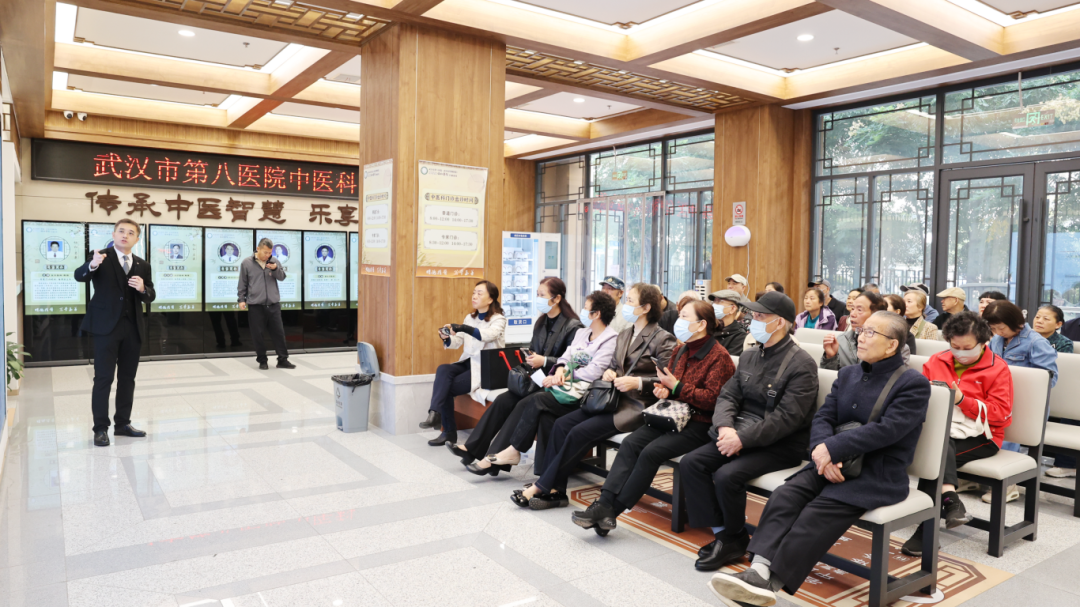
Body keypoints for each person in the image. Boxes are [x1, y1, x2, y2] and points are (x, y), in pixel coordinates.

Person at [708, 312, 930, 606]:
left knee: (816, 512)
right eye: (861, 331)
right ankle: (758, 570)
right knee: (786, 495)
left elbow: (887, 430)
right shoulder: (848, 374)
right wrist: (822, 451)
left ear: (892, 345)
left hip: (876, 472)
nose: (860, 337)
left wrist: (832, 450)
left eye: (871, 333)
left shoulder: (913, 383)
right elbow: (824, 416)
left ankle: (769, 584)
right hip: (829, 462)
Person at [681, 291, 819, 571]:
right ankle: (726, 535)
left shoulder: (801, 364)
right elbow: (728, 396)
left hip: (780, 444)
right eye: (753, 315)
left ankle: (732, 537)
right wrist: (724, 427)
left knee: (727, 475)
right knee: (692, 463)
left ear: (779, 322)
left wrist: (741, 439)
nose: (753, 320)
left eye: (760, 316)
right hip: (739, 431)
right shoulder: (750, 354)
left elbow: (787, 419)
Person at [572, 301, 735, 534]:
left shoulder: (719, 357)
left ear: (701, 325)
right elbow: (671, 387)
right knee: (631, 443)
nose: (678, 321)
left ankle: (611, 511)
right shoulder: (680, 350)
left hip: (700, 423)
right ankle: (604, 503)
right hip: (672, 415)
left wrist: (676, 387)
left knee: (651, 452)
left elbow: (715, 400)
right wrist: (665, 391)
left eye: (684, 317)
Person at [512, 284, 677, 509]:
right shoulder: (625, 334)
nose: (626, 305)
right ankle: (556, 490)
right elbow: (612, 365)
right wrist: (610, 372)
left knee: (578, 431)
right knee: (561, 424)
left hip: (635, 405)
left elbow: (666, 380)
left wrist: (637, 382)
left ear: (646, 308)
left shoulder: (663, 339)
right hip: (610, 398)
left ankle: (541, 487)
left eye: (630, 301)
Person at [900, 311, 1013, 556]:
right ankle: (951, 502)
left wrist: (963, 401)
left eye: (967, 348)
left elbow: (1002, 415)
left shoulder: (998, 369)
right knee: (940, 443)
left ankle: (927, 531)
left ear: (983, 342)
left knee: (936, 454)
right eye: (955, 346)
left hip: (983, 436)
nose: (960, 352)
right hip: (944, 430)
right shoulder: (937, 361)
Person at [447, 278, 585, 472]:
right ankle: (472, 448)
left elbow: (571, 362)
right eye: (537, 294)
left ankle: (493, 459)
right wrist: (530, 357)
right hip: (537, 379)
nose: (538, 299)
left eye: (542, 295)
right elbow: (534, 350)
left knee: (521, 404)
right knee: (504, 400)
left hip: (555, 384)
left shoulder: (573, 327)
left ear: (556, 299)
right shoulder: (541, 322)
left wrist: (545, 360)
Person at [73, 218, 157, 447]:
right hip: (105, 328)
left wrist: (143, 289)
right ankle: (100, 428)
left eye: (130, 233)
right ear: (113, 234)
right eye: (121, 231)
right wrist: (92, 265)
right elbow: (80, 276)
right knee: (104, 378)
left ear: (137, 239)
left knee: (127, 378)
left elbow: (150, 296)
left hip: (133, 328)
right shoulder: (100, 257)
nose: (125, 235)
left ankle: (123, 424)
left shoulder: (142, 264)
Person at [983, 300, 1057, 503]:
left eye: (1001, 327)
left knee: (1005, 425)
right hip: (1001, 399)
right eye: (993, 328)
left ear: (1016, 322)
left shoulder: (1036, 342)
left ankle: (1008, 483)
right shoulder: (997, 340)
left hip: (1027, 405)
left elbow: (1050, 379)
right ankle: (978, 475)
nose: (997, 332)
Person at [419, 280, 507, 447]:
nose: (474, 296)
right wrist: (446, 338)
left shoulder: (499, 319)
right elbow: (457, 341)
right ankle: (434, 413)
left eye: (479, 293)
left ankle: (448, 431)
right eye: (474, 292)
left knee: (446, 388)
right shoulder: (470, 317)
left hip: (486, 368)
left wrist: (462, 328)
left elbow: (488, 335)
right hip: (469, 362)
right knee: (443, 369)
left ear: (490, 299)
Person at [238, 238, 295, 371]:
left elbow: (282, 277)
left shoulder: (274, 261)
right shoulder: (247, 263)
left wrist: (275, 269)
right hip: (256, 305)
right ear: (258, 249)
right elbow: (242, 283)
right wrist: (241, 299)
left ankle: (283, 359)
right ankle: (262, 360)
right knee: (257, 334)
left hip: (273, 304)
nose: (267, 255)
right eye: (265, 252)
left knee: (279, 333)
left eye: (270, 252)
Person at [821, 290, 917, 370]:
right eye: (852, 309)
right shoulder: (841, 340)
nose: (852, 314)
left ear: (876, 314)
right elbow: (830, 377)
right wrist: (830, 357)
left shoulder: (894, 347)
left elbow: (897, 381)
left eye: (859, 310)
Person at [1040, 304, 1078, 479]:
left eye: (1045, 318)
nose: (1039, 321)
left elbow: (1061, 368)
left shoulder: (1063, 342)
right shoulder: (1072, 325)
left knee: (1071, 406)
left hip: (1061, 385)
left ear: (1057, 324)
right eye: (1037, 317)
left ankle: (1066, 464)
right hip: (1041, 386)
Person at [710, 289, 747, 357]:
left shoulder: (739, 337)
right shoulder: (708, 329)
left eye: (719, 301)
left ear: (732, 309)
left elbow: (727, 361)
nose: (714, 305)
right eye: (714, 302)